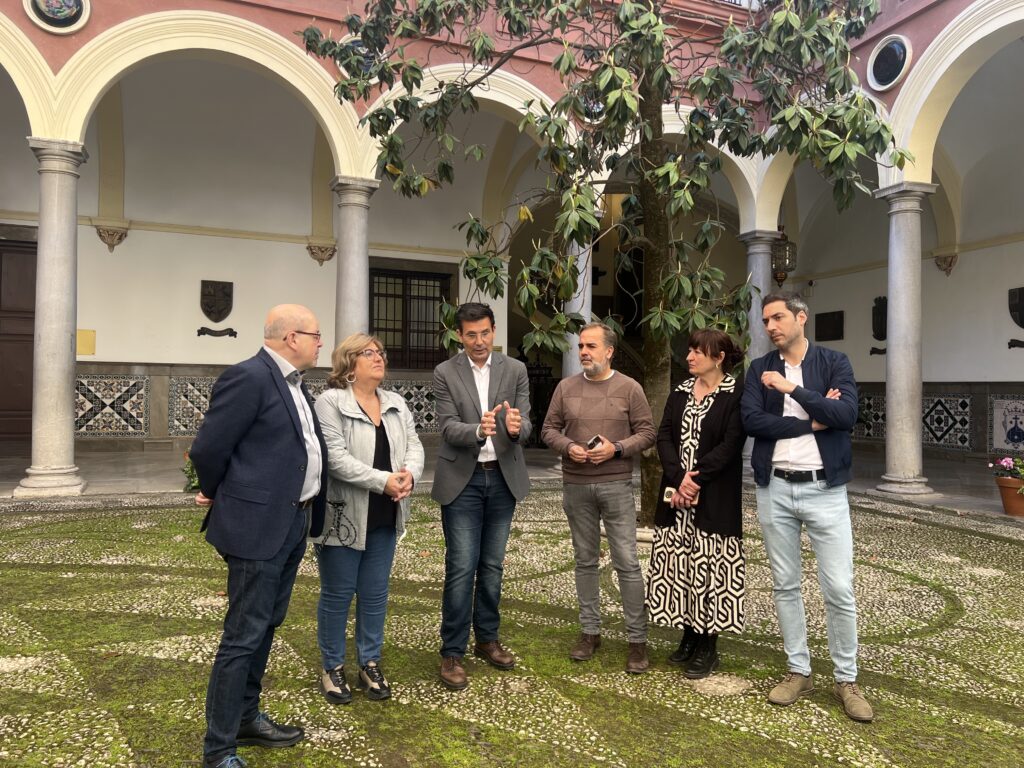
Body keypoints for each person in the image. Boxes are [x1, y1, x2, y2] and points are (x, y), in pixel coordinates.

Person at [190, 304, 328, 768]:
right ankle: (219, 750)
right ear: (291, 337)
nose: (320, 342)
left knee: (267, 624)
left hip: (292, 521)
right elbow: (209, 447)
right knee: (243, 636)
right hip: (256, 525)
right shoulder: (248, 377)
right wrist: (215, 490)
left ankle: (247, 718)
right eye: (315, 334)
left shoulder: (294, 384)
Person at [740, 290, 873, 723]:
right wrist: (811, 418)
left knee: (838, 587)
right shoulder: (759, 369)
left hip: (825, 489)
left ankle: (846, 679)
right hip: (774, 488)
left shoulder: (834, 363)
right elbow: (752, 422)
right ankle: (799, 670)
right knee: (785, 585)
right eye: (766, 320)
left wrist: (791, 389)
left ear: (801, 318)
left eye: (777, 317)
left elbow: (847, 415)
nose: (770, 326)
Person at [312, 333, 424, 704]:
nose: (379, 358)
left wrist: (409, 476)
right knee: (338, 594)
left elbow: (414, 446)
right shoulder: (330, 402)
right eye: (369, 353)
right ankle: (332, 666)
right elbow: (336, 458)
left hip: (387, 511)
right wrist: (384, 481)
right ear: (349, 362)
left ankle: (369, 663)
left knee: (375, 594)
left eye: (380, 353)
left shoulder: (395, 402)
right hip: (344, 513)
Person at [540, 322, 656, 673]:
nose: (584, 352)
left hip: (616, 484)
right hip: (576, 485)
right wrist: (569, 447)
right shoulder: (565, 387)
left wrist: (617, 449)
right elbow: (548, 429)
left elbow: (647, 432)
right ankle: (590, 632)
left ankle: (637, 640)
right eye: (581, 347)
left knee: (627, 562)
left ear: (609, 351)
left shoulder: (630, 388)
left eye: (591, 346)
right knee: (585, 560)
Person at [432, 302, 532, 690]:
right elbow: (445, 426)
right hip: (463, 480)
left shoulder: (516, 370)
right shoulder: (445, 372)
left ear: (494, 331)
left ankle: (487, 638)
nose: (479, 341)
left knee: (492, 566)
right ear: (460, 335)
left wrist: (513, 426)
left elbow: (525, 430)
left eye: (485, 333)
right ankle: (452, 650)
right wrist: (478, 429)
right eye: (470, 334)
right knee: (461, 566)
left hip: (503, 478)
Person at [646, 329, 746, 680]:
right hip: (679, 498)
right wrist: (678, 478)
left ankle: (708, 646)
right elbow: (663, 436)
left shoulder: (735, 394)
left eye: (697, 352)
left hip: (714, 498)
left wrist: (696, 478)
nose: (689, 357)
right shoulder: (680, 392)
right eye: (689, 351)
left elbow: (731, 444)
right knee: (680, 568)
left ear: (718, 358)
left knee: (710, 570)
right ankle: (687, 635)